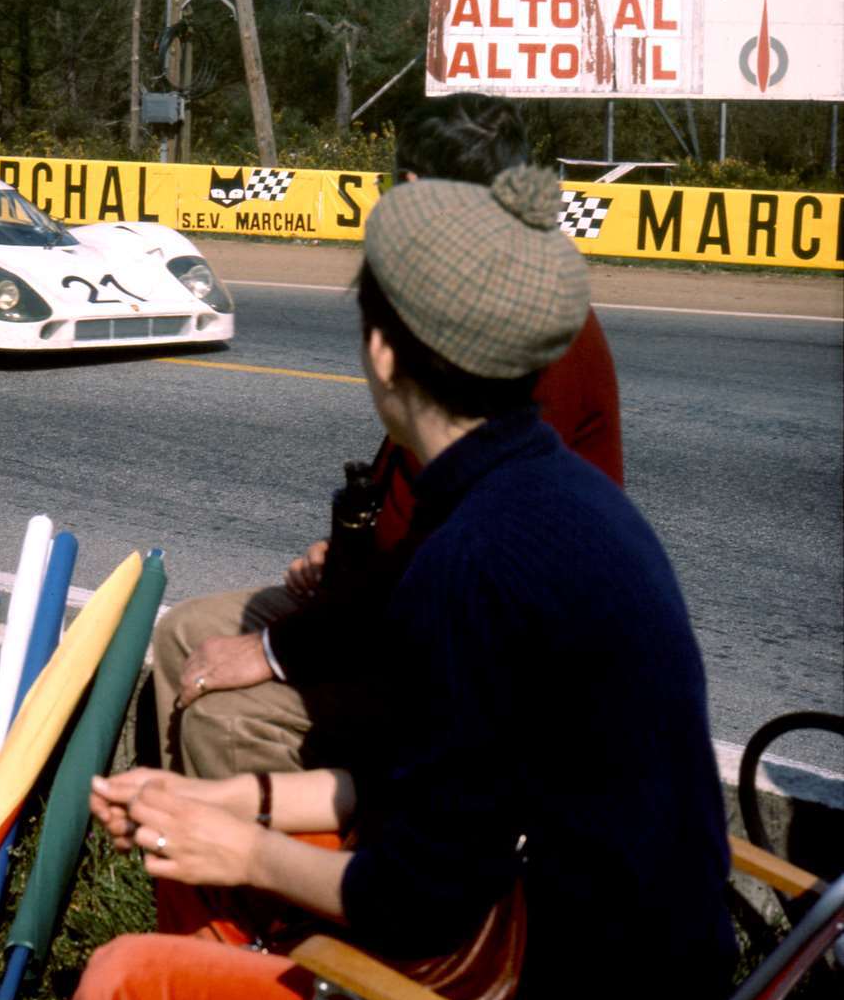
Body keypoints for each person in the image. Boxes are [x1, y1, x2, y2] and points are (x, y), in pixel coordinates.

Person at [65, 164, 737, 1000]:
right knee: (190, 874)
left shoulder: (467, 562)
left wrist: (246, 845)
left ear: (384, 350)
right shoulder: (557, 499)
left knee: (119, 994)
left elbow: (420, 898)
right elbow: (427, 792)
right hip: (630, 976)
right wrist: (228, 805)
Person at [148, 93, 623, 779]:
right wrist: (348, 553)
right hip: (420, 605)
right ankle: (186, 860)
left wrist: (278, 651)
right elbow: (422, 507)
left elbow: (462, 577)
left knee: (227, 718)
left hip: (496, 662)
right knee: (183, 633)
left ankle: (307, 870)